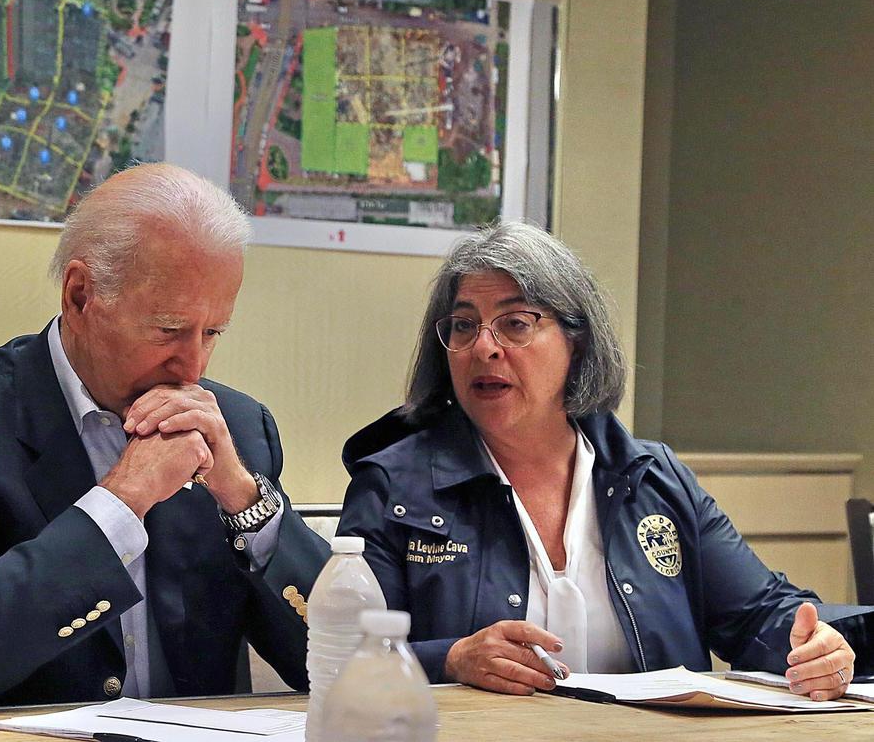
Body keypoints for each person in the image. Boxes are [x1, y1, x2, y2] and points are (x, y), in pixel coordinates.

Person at [0, 163, 329, 713]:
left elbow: (345, 666)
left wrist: (245, 501)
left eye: (213, 333)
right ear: (80, 295)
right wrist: (121, 501)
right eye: (168, 330)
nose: (193, 366)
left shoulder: (238, 427)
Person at [337, 222, 871, 700]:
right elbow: (339, 659)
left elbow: (760, 614)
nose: (484, 347)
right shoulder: (392, 486)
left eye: (516, 323)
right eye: (462, 325)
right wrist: (451, 660)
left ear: (577, 343)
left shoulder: (651, 478)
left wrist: (813, 646)